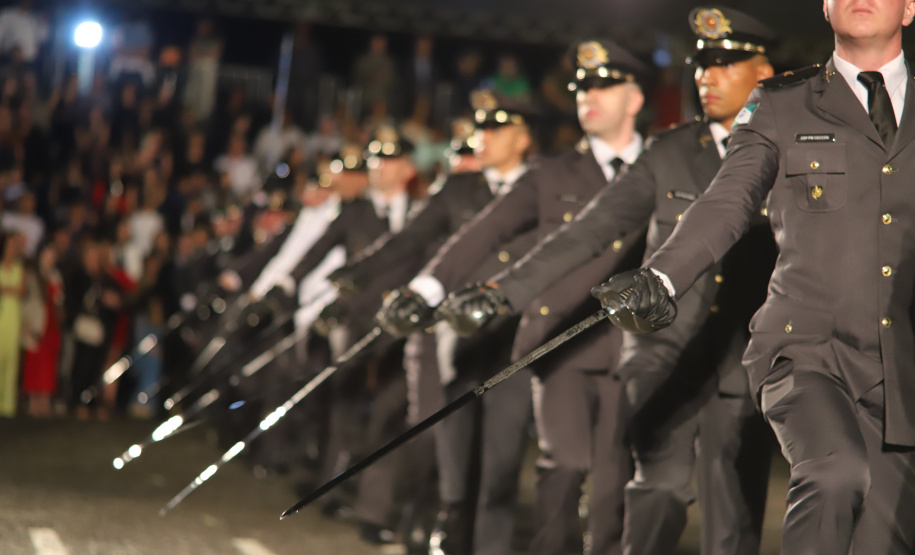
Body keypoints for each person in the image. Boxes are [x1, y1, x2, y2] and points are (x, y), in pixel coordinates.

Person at [500, 1, 915, 552]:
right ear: (825, 6)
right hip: (809, 352)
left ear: (908, 8)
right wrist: (661, 279)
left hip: (902, 363)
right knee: (833, 473)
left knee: (883, 537)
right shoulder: (781, 104)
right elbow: (725, 201)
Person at [435, 9, 779, 554]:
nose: (706, 77)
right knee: (659, 491)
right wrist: (504, 293)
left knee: (734, 513)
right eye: (702, 65)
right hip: (663, 348)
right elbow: (588, 232)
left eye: (724, 63)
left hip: (745, 351)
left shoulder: (795, 153)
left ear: (764, 70)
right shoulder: (667, 152)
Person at [383, 40, 649, 555]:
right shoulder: (551, 174)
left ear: (634, 99)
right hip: (560, 342)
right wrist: (426, 287)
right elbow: (482, 232)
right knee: (564, 467)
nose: (587, 97)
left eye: (602, 87)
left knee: (617, 489)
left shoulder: (660, 162)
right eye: (581, 88)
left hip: (636, 346)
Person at [332, 92, 536, 554]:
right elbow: (412, 239)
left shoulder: (541, 186)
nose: (481, 139)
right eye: (479, 129)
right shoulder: (461, 190)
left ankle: (475, 535)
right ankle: (430, 516)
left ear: (523, 139)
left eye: (495, 130)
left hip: (510, 334)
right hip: (447, 331)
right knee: (433, 431)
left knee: (499, 451)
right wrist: (360, 271)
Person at [22, 243, 64, 418]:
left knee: (48, 364)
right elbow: (27, 301)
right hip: (37, 323)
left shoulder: (56, 275)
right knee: (34, 362)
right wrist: (27, 324)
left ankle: (45, 401)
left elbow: (60, 300)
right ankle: (33, 401)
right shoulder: (33, 275)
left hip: (52, 324)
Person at [0, 232, 25, 417]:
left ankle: (7, 407)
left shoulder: (18, 268)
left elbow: (22, 290)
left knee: (12, 360)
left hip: (13, 317)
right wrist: (11, 290)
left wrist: (7, 290)